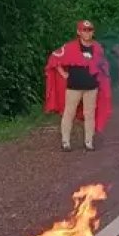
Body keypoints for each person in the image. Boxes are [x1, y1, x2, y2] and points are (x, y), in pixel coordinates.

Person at [45, 19, 112, 152]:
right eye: (84, 30)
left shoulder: (97, 48)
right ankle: (65, 142)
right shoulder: (70, 47)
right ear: (79, 32)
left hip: (92, 87)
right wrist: (63, 73)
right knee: (68, 113)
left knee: (90, 114)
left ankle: (89, 142)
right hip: (73, 87)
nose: (87, 33)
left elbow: (103, 65)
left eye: (90, 30)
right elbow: (55, 57)